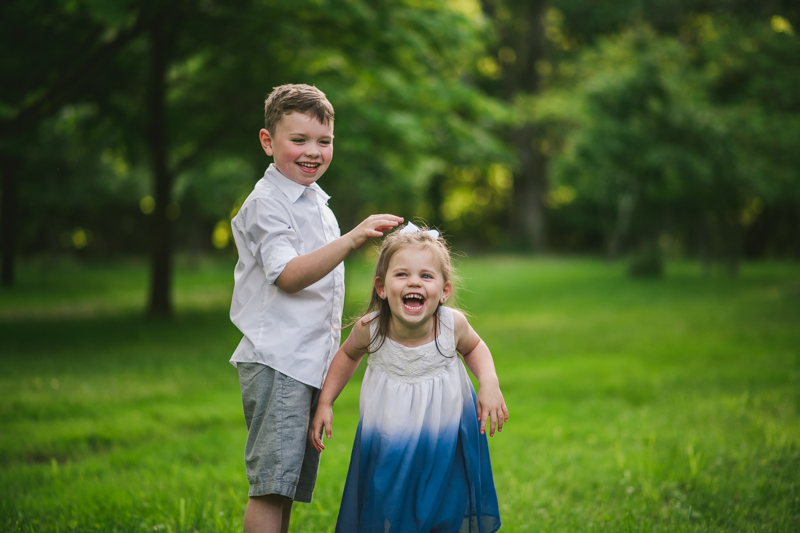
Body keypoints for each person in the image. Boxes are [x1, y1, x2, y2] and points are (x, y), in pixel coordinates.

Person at [229, 83, 403, 533]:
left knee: (285, 486)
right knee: (270, 486)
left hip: (305, 362)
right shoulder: (267, 203)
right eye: (299, 140)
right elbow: (288, 275)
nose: (313, 151)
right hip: (278, 361)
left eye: (323, 141)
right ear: (269, 142)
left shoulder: (316, 202)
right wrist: (351, 239)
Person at [309, 222, 509, 533]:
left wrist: (490, 384)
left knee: (446, 501)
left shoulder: (451, 325)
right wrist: (325, 401)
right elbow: (348, 355)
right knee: (388, 498)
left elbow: (476, 348)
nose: (413, 283)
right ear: (382, 287)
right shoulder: (371, 328)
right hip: (389, 432)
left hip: (446, 433)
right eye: (402, 274)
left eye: (426, 276)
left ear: (444, 291)